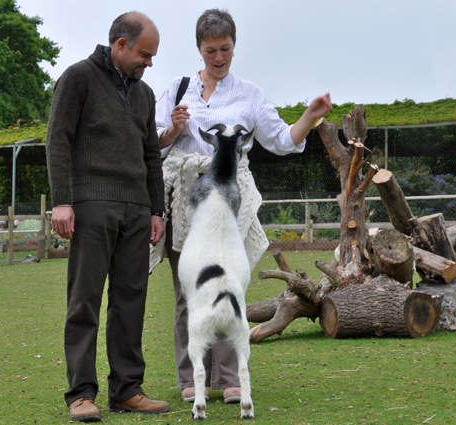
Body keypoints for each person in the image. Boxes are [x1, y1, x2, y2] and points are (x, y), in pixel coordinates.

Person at [155, 8, 332, 405]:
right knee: (189, 293)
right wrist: (173, 130)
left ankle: (230, 377)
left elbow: (283, 140)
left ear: (234, 46)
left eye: (225, 49)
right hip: (186, 198)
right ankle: (192, 377)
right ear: (198, 49)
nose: (218, 58)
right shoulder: (176, 89)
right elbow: (152, 141)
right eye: (210, 50)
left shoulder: (249, 93)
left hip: (229, 202)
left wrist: (310, 115)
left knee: (230, 287)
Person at [46, 11, 170, 423]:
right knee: (84, 301)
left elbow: (151, 155)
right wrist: (62, 201)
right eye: (144, 54)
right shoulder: (78, 78)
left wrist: (156, 209)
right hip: (91, 206)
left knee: (131, 301)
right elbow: (58, 140)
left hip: (136, 209)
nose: (148, 63)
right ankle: (81, 394)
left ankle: (127, 390)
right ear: (120, 44)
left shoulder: (145, 94)